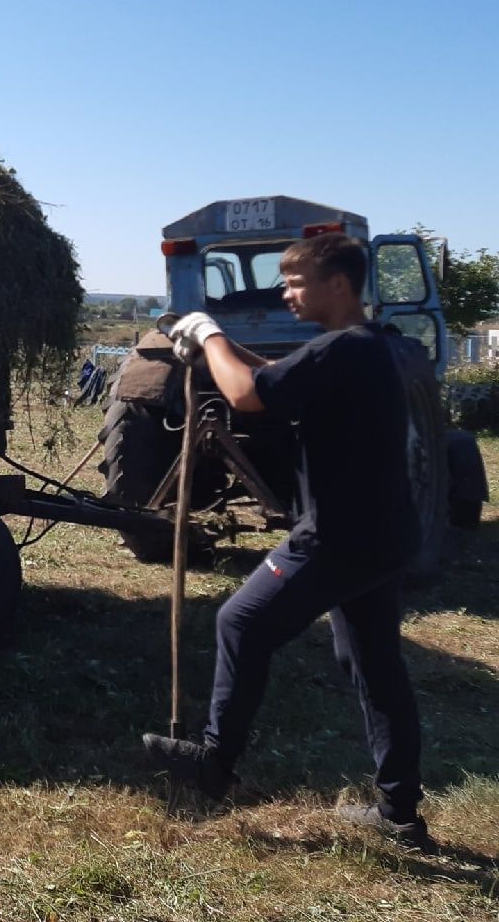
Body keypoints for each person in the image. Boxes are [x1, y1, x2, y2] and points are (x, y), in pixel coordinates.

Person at [143, 232, 433, 851]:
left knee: (239, 624)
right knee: (373, 664)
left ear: (338, 285)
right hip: (383, 535)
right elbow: (273, 379)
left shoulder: (342, 349)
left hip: (336, 539)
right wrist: (214, 350)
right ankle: (399, 812)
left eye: (296, 281)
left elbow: (247, 396)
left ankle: (214, 766)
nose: (285, 291)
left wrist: (210, 333)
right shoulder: (370, 347)